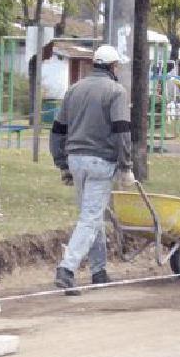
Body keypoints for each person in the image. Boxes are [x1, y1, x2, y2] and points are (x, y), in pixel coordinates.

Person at [48, 44, 137, 295]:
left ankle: (99, 271)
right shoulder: (116, 91)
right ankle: (67, 269)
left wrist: (62, 163)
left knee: (92, 215)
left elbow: (57, 131)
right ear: (113, 67)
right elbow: (122, 131)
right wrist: (126, 166)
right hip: (100, 163)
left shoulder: (74, 90)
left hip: (75, 161)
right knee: (90, 218)